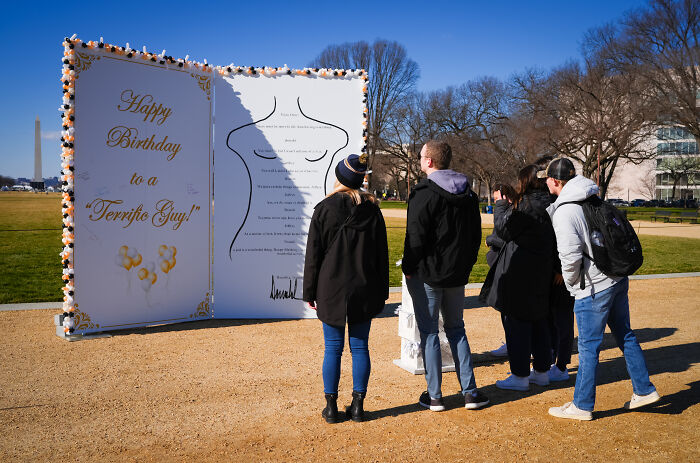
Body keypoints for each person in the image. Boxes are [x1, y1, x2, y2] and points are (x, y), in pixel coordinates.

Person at [542, 157, 660, 420]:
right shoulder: (592, 197)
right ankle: (644, 389)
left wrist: (573, 285)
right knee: (626, 336)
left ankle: (582, 405)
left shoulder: (565, 210)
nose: (546, 182)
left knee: (588, 347)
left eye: (547, 178)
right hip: (616, 277)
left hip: (593, 286)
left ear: (555, 181)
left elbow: (570, 257)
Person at [402, 140, 489, 411]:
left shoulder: (424, 192)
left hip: (428, 273)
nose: (419, 160)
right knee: (456, 330)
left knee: (429, 332)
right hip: (456, 273)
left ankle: (435, 395)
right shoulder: (469, 194)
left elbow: (414, 237)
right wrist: (465, 265)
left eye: (421, 156)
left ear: (429, 161)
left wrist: (409, 266)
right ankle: (470, 393)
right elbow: (476, 236)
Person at [303, 153, 389, 423]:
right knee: (360, 347)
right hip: (364, 286)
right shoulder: (373, 210)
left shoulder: (324, 208)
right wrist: (382, 292)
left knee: (333, 348)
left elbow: (313, 255)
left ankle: (331, 408)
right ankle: (358, 406)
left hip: (331, 287)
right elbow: (381, 256)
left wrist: (309, 291)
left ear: (340, 177)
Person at [480, 165, 555, 392]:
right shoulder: (550, 202)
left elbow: (504, 229)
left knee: (518, 324)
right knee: (540, 320)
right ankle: (542, 371)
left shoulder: (528, 204)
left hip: (522, 270)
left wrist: (501, 205)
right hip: (543, 268)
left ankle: (520, 374)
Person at [485, 183, 516, 359]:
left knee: (509, 310)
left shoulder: (512, 212)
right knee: (504, 310)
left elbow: (504, 238)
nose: (496, 202)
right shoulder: (507, 211)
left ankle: (513, 344)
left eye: (497, 199)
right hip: (501, 263)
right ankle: (510, 341)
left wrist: (490, 240)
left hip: (509, 266)